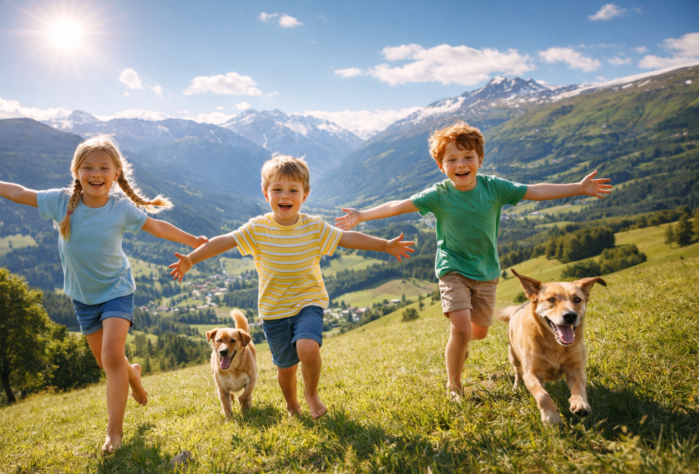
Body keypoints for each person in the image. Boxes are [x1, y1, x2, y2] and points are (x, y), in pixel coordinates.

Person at [335, 121, 611, 399]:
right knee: (462, 330)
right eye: (451, 159)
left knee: (477, 333)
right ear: (441, 166)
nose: (461, 164)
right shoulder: (439, 194)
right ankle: (454, 387)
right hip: (452, 268)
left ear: (480, 159)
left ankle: (461, 343)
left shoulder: (494, 188)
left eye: (468, 157)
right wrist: (363, 215)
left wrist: (578, 187)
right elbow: (398, 205)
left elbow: (534, 191)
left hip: (486, 271)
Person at [0, 134, 207, 452]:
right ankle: (133, 375)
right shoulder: (60, 202)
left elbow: (156, 226)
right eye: (88, 167)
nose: (96, 173)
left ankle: (114, 433)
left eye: (103, 167)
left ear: (116, 175)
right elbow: (21, 194)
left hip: (117, 291)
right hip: (82, 298)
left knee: (112, 356)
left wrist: (193, 240)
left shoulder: (121, 209)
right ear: (76, 171)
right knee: (108, 362)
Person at [169, 154, 415, 419]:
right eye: (277, 189)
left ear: (304, 195)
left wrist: (385, 244)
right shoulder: (257, 228)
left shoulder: (314, 226)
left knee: (307, 348)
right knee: (286, 368)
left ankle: (311, 394)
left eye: (293, 190)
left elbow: (347, 238)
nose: (285, 196)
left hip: (309, 302)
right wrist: (192, 259)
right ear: (266, 194)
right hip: (274, 311)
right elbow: (224, 241)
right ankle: (292, 404)